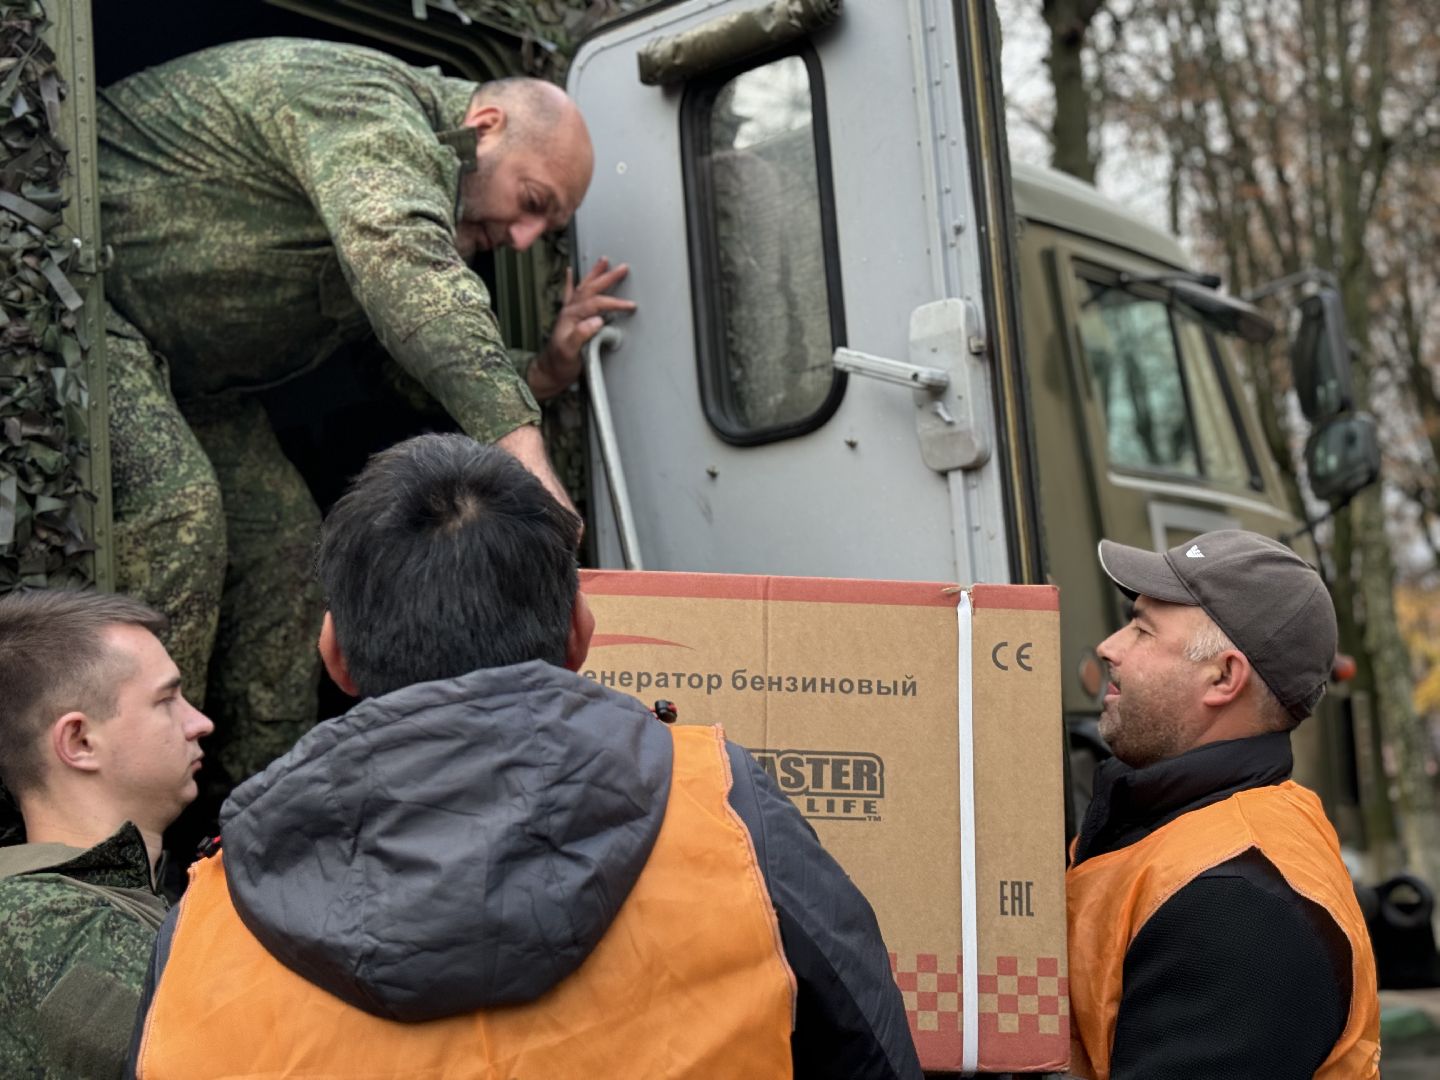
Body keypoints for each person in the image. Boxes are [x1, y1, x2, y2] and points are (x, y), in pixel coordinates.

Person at [124, 434, 920, 1080]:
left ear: (334, 654)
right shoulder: (727, 811)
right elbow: (872, 1051)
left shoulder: (211, 916)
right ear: (580, 630)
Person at [96, 39, 634, 791]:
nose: (520, 239)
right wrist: (520, 444)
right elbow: (401, 264)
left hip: (193, 380)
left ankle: (253, 810)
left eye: (542, 229)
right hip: (89, 301)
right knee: (179, 506)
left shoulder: (422, 186)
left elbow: (396, 351)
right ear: (484, 125)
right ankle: (118, 815)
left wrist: (542, 371)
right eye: (532, 202)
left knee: (289, 550)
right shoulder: (366, 105)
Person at [1066, 530, 1380, 1079]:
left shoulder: (1239, 904)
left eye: (1142, 631)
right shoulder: (1162, 820)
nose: (1110, 647)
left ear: (1224, 677)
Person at [0, 590, 212, 1077]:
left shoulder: (123, 895)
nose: (200, 722)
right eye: (166, 701)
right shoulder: (38, 923)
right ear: (79, 741)